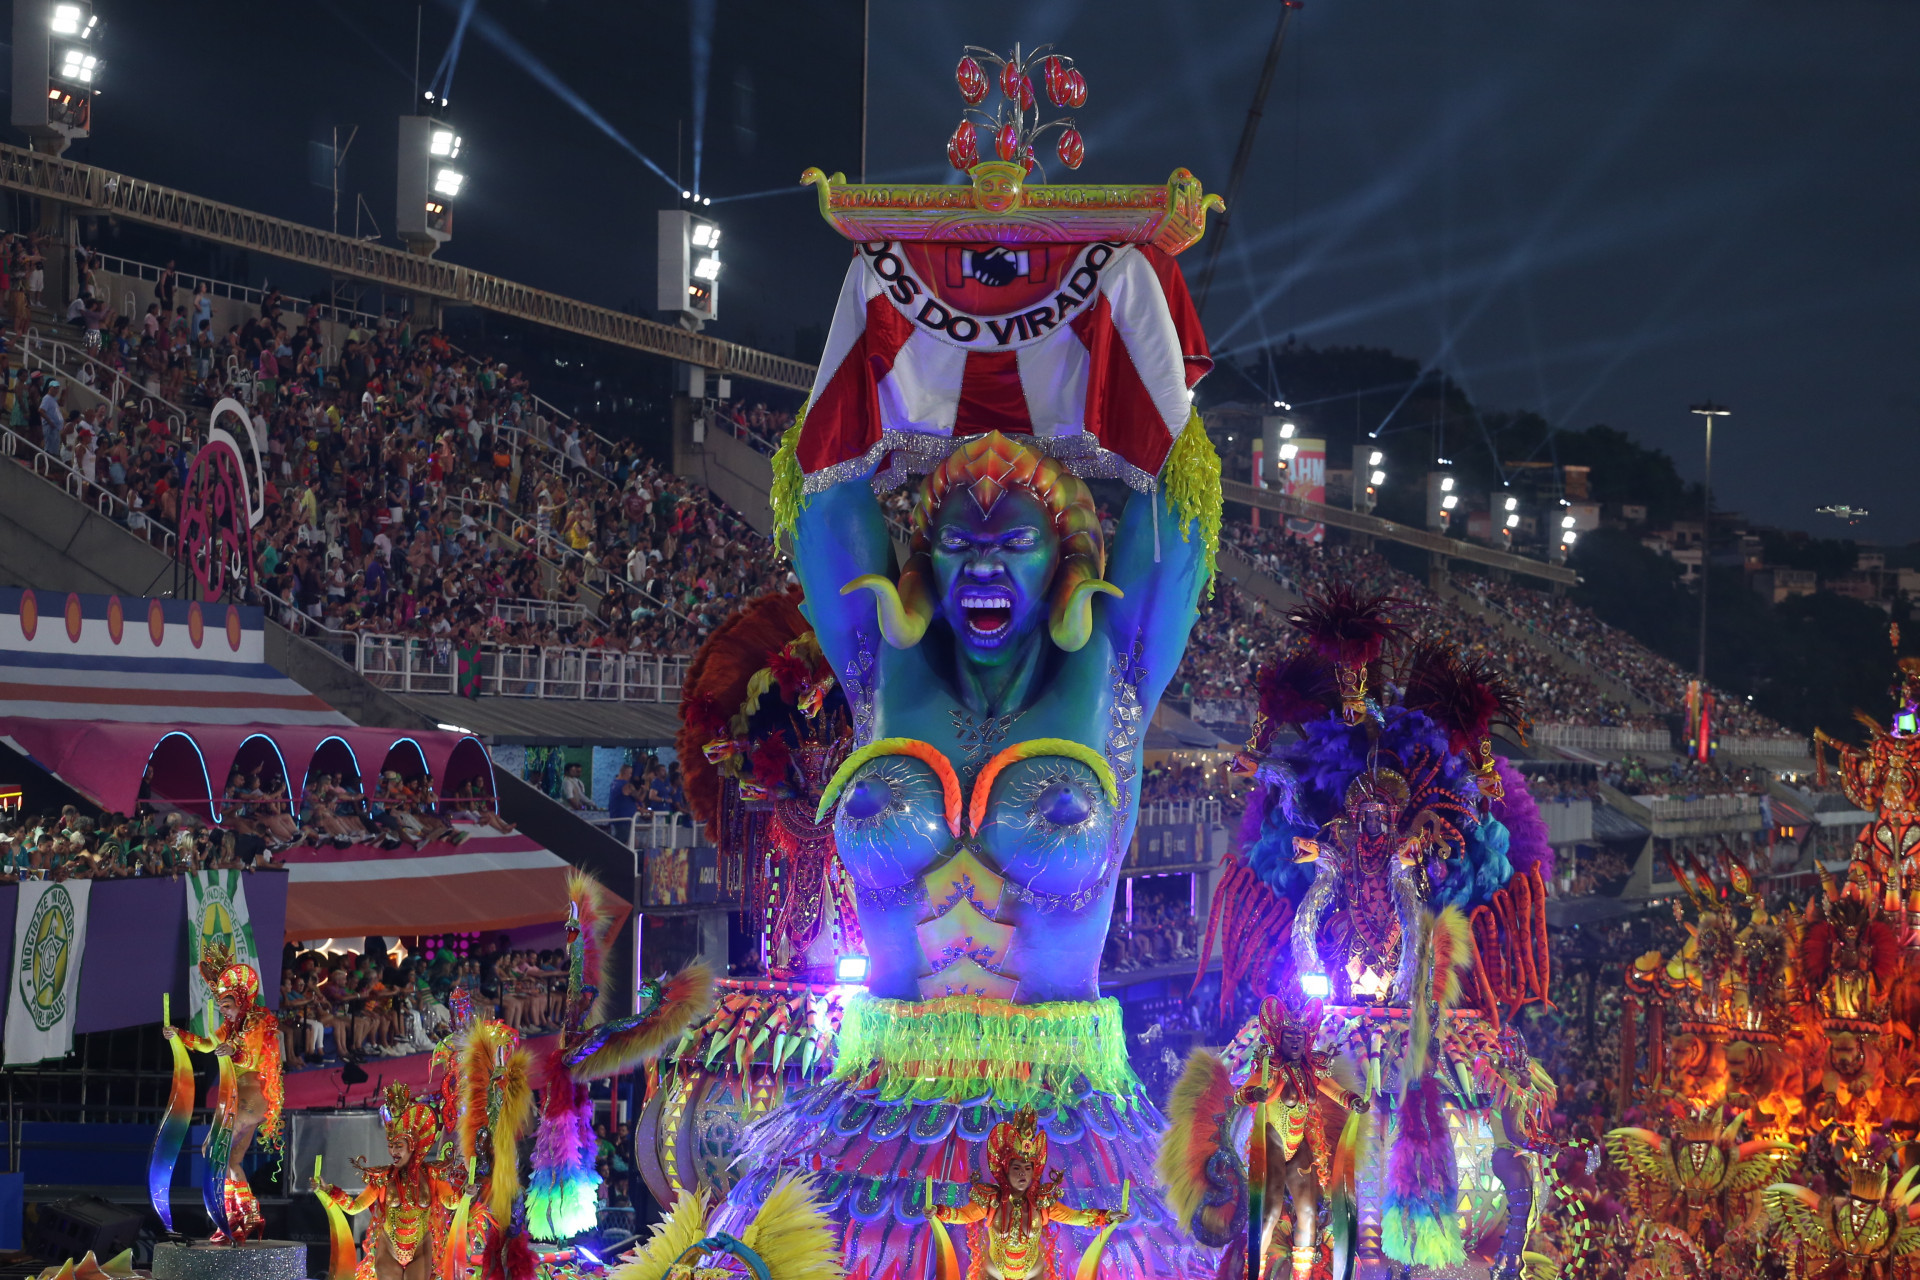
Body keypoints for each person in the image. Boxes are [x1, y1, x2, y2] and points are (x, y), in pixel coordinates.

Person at [163, 943, 283, 1240]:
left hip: (251, 1099)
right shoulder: (230, 1027)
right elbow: (205, 1044)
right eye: (220, 1007)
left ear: (241, 999)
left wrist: (233, 1051)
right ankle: (247, 1216)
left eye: (227, 1006)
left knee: (211, 1149)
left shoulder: (256, 1021)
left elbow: (251, 1053)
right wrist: (179, 1035)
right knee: (231, 1161)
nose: (224, 1011)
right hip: (241, 1100)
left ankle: (233, 1214)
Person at [316, 1084, 462, 1280]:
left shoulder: (432, 1174)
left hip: (421, 1248)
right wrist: (330, 1191)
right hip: (389, 1249)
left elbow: (451, 1202)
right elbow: (354, 1207)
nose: (393, 1152)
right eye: (391, 1146)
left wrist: (467, 1193)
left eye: (398, 1146)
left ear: (412, 1146)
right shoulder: (383, 1178)